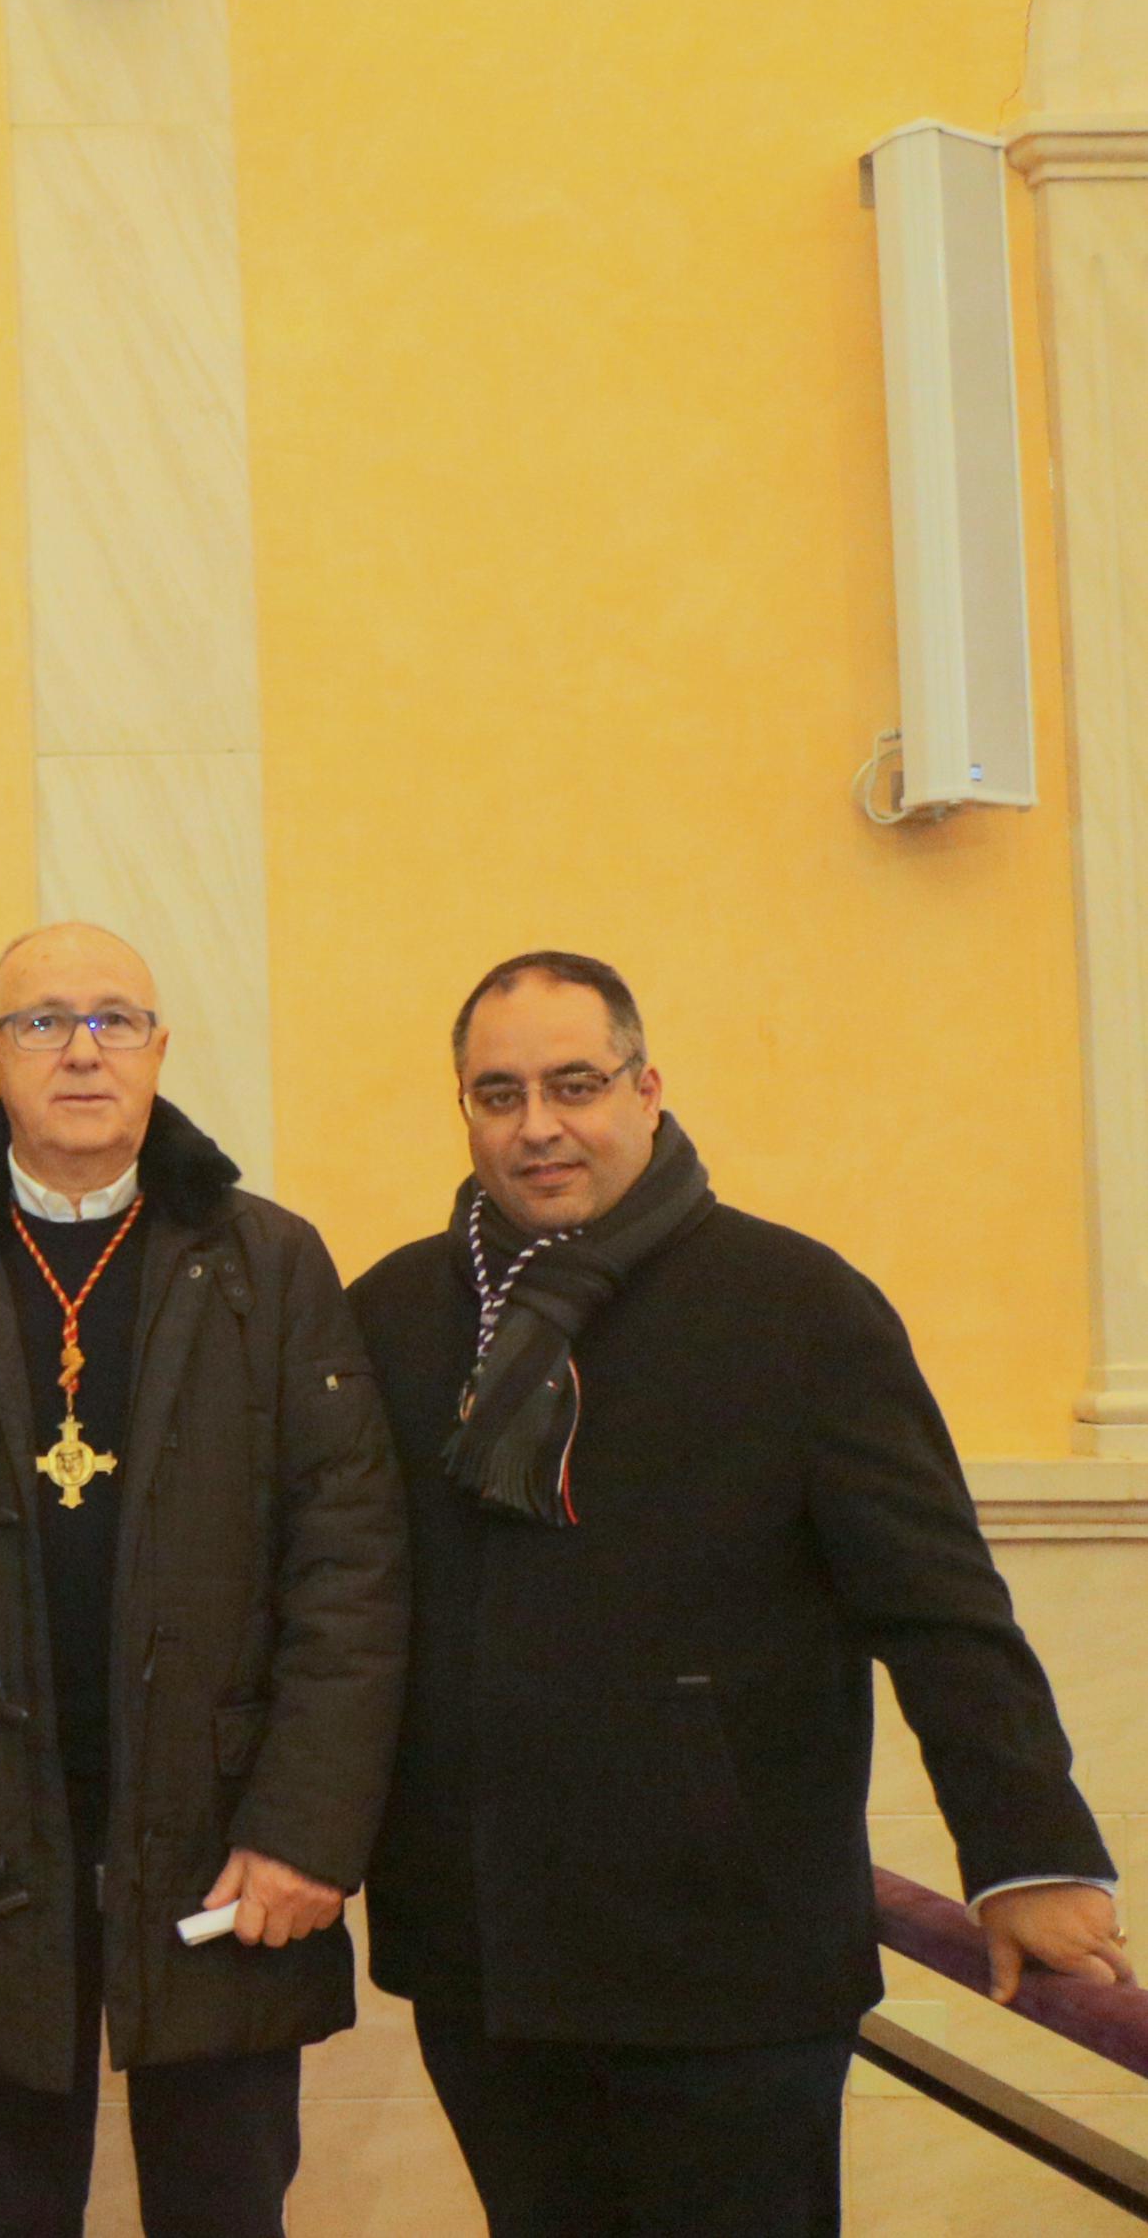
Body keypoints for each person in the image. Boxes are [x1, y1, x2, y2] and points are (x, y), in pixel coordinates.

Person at [356, 950, 1130, 2238]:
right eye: (496, 1094)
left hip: (729, 1961)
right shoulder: (395, 1314)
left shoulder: (796, 1307)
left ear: (646, 1088)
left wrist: (1026, 1853)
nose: (536, 1124)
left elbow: (938, 1608)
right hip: (486, 1959)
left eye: (572, 1082)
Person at [0, 923, 406, 2238]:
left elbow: (347, 1562)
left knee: (224, 2204)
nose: (79, 1049)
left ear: (156, 1049)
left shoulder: (267, 1260)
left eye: (113, 1019)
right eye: (40, 1021)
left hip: (219, 1834)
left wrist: (304, 1826)